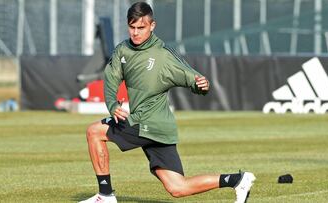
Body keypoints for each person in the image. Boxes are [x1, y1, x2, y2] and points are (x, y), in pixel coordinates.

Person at [79, 2, 255, 203]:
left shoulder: (163, 54)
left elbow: (193, 78)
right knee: (178, 187)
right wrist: (112, 105)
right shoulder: (122, 50)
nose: (136, 33)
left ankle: (105, 196)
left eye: (141, 28)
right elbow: (111, 80)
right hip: (155, 128)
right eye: (132, 27)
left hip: (148, 123)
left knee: (94, 131)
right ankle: (237, 180)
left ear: (152, 26)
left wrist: (201, 85)